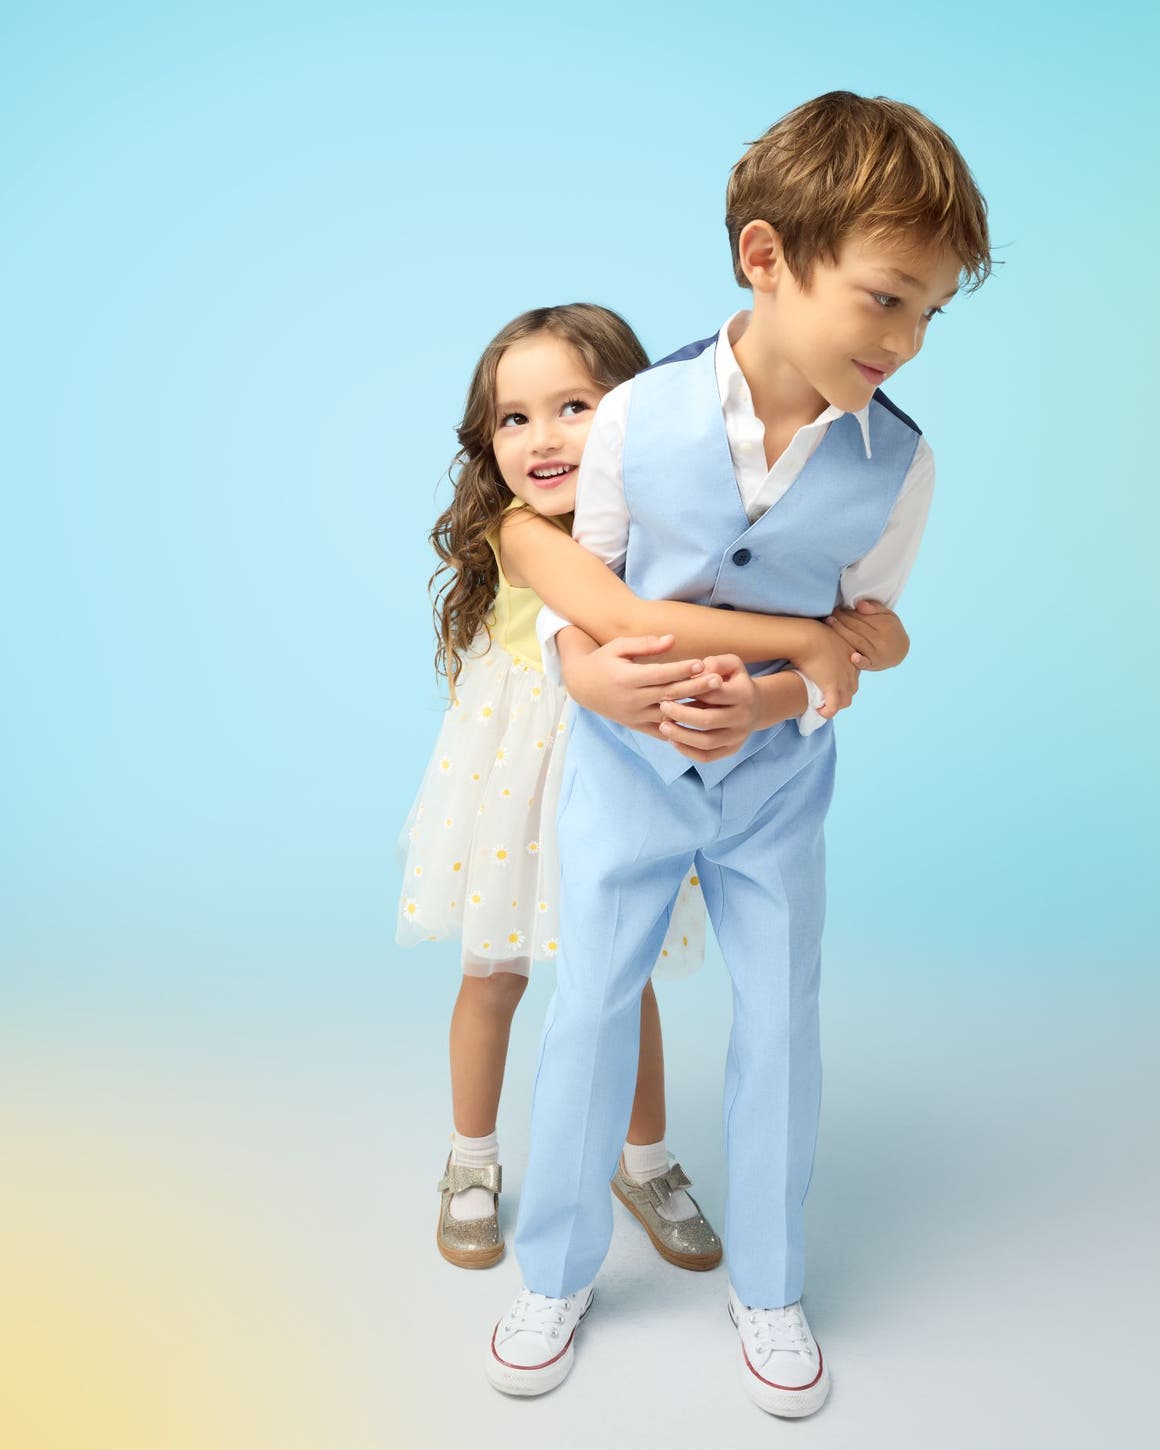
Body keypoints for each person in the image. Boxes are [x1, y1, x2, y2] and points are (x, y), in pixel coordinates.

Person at [485, 92, 992, 1416]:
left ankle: (769, 1284)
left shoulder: (900, 466)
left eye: (930, 313)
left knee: (779, 1021)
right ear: (767, 257)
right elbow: (586, 594)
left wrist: (774, 707)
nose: (906, 339)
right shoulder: (633, 416)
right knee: (591, 1006)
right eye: (885, 298)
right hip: (624, 774)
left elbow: (859, 640)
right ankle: (554, 1272)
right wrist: (595, 676)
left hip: (774, 796)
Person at [398, 302, 907, 1275]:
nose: (543, 438)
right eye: (513, 419)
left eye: (574, 407)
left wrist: (853, 641)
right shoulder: (521, 532)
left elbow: (807, 620)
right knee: (495, 972)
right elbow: (632, 617)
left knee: (614, 977)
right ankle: (472, 1158)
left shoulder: (663, 519)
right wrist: (807, 638)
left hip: (630, 774)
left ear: (633, 413)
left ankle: (645, 1162)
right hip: (523, 776)